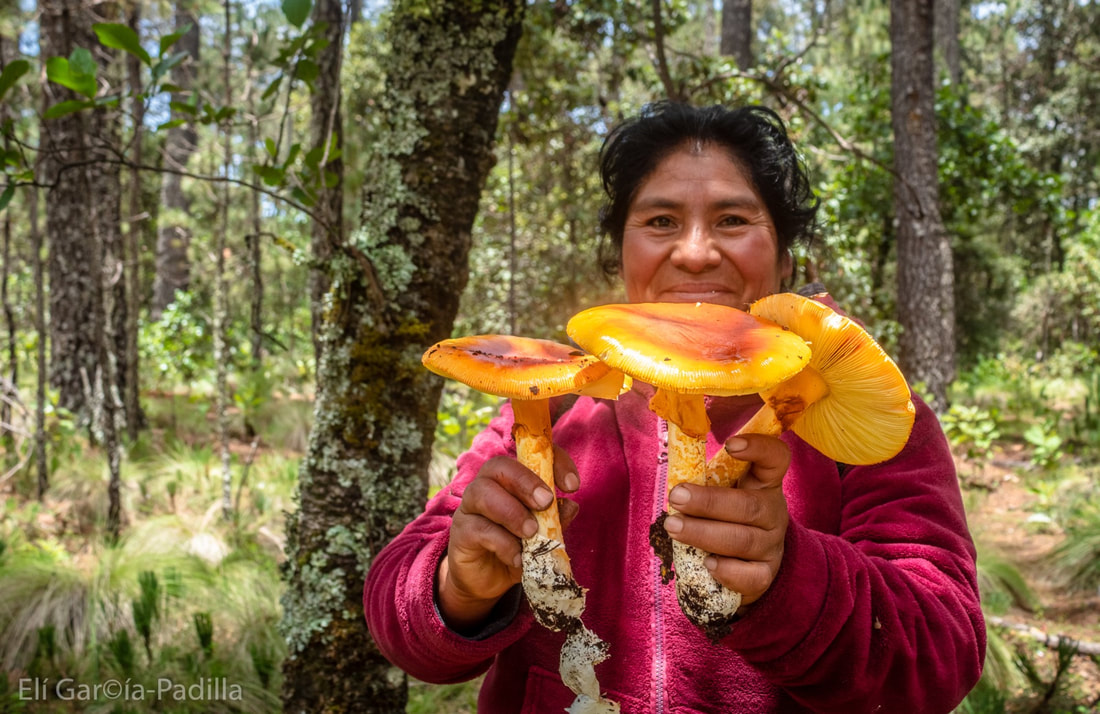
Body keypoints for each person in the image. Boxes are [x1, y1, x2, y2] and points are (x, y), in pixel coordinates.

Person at [364, 102, 985, 713]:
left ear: (786, 256)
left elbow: (941, 655)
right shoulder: (549, 404)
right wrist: (460, 587)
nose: (694, 253)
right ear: (621, 254)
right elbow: (400, 615)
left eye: (734, 220)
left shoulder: (881, 420)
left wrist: (787, 576)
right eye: (660, 221)